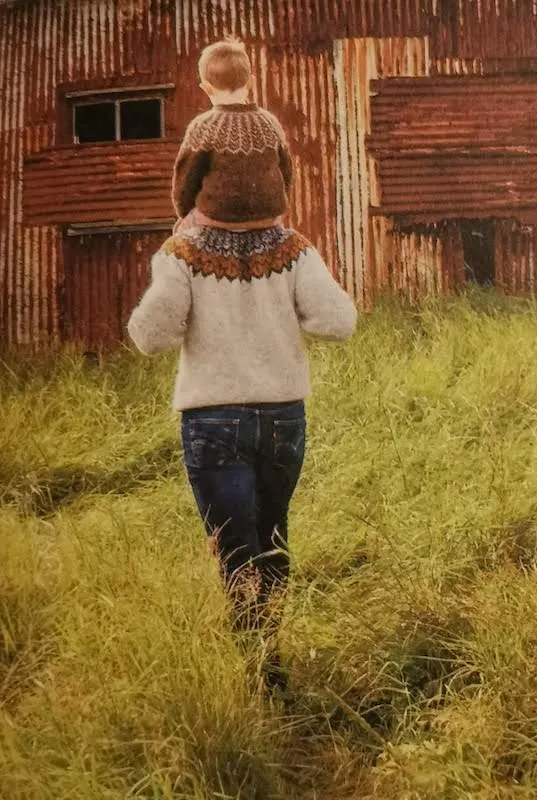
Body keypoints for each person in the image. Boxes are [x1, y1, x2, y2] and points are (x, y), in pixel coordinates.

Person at [127, 213, 357, 692]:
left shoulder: (183, 252)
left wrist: (179, 265)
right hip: (282, 417)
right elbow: (338, 322)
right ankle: (269, 661)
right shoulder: (293, 249)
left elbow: (150, 336)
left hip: (213, 418)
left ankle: (259, 678)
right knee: (271, 538)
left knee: (236, 553)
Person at [172, 36, 293, 235]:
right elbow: (286, 172)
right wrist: (276, 209)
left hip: (217, 218)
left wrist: (184, 213)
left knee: (179, 232)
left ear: (206, 88)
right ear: (251, 83)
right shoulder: (270, 122)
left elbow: (185, 181)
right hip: (268, 218)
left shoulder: (203, 126)